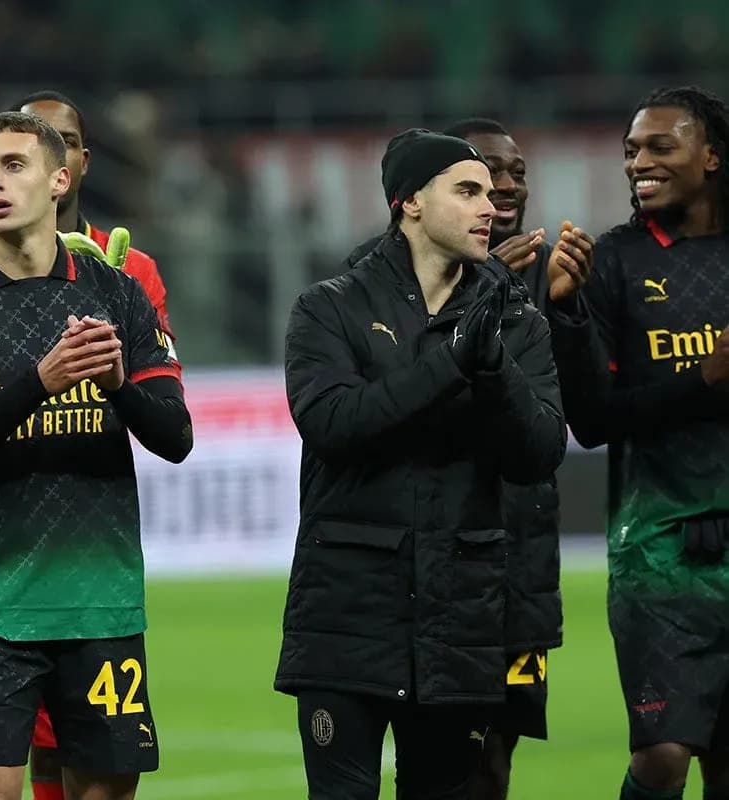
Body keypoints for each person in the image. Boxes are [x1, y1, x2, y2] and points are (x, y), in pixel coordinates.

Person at [0, 110, 190, 800]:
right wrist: (42, 381)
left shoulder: (118, 293)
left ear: (60, 180)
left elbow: (175, 438)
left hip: (101, 600)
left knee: (104, 791)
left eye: (13, 166)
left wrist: (118, 385)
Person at [278, 129, 566, 799]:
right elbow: (334, 425)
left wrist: (491, 365)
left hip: (459, 621)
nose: (489, 207)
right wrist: (454, 359)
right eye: (467, 191)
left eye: (491, 195)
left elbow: (540, 454)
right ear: (407, 202)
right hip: (346, 615)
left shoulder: (514, 321)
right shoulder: (329, 307)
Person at [345, 118, 594, 800]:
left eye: (514, 172)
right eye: (482, 174)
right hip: (427, 563)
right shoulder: (373, 280)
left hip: (521, 566)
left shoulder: (556, 275)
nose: (502, 187)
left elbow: (580, 419)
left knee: (494, 759)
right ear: (423, 197)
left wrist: (562, 315)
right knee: (436, 760)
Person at [544, 85, 729, 800]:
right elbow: (590, 420)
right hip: (658, 551)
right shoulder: (613, 263)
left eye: (659, 146)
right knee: (663, 758)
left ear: (712, 155)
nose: (637, 163)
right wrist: (703, 383)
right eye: (630, 150)